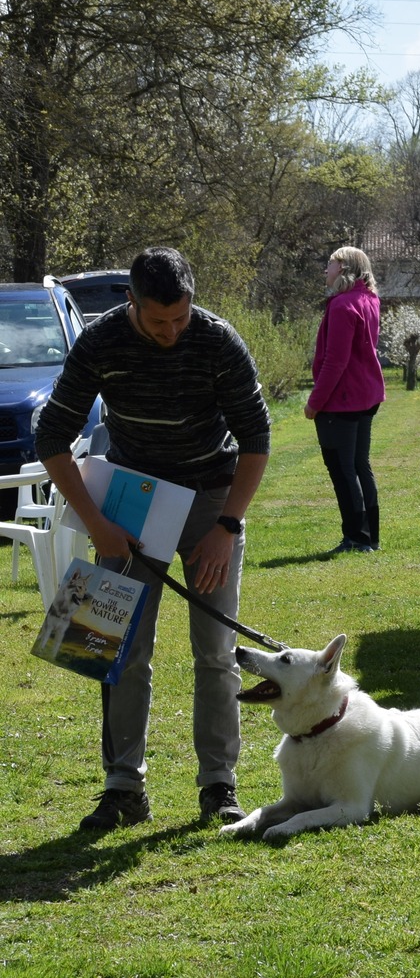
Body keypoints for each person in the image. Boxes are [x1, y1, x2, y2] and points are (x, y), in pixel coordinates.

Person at [34, 247, 271, 831]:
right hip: (131, 503)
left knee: (215, 650)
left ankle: (219, 785)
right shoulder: (100, 341)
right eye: (158, 321)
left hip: (210, 500)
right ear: (131, 302)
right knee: (112, 644)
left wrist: (227, 526)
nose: (171, 332)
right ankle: (123, 789)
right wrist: (98, 523)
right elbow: (52, 436)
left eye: (180, 318)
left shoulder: (218, 340)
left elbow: (256, 438)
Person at [306, 245, 385, 554]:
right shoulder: (370, 299)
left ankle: (356, 538)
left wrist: (315, 402)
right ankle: (369, 536)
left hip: (343, 399)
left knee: (342, 468)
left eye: (330, 264)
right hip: (366, 394)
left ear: (344, 268)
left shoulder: (342, 305)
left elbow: (335, 361)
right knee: (359, 464)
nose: (325, 270)